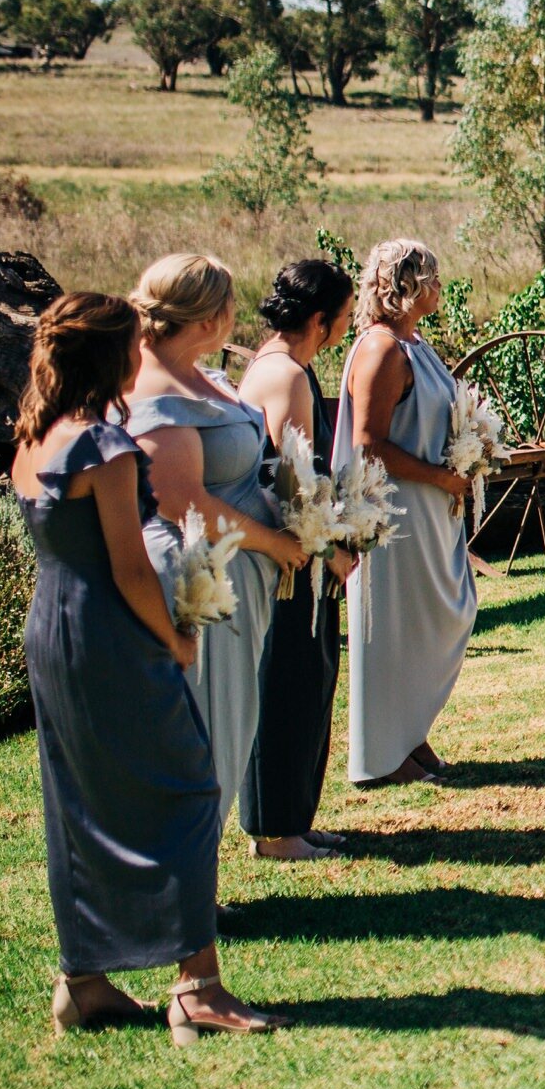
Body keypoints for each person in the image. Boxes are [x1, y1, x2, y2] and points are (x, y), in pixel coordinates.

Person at [13, 292, 280, 1044]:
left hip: (52, 632)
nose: (143, 353)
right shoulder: (105, 446)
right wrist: (175, 637)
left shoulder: (34, 435)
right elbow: (133, 570)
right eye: (134, 342)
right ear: (112, 356)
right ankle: (198, 988)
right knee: (189, 787)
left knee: (80, 799)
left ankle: (84, 981)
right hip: (111, 633)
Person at [120, 254, 308, 837]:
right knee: (205, 725)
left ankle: (195, 878)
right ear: (209, 318)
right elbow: (181, 502)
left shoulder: (198, 370)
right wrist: (274, 543)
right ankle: (181, 886)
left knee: (230, 723)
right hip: (197, 577)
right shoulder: (154, 390)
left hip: (235, 576)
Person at [337, 239, 479, 784]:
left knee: (441, 615)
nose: (441, 288)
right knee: (395, 625)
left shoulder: (414, 343)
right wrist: (443, 476)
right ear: (409, 285)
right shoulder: (380, 350)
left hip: (428, 509)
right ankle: (380, 753)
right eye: (434, 278)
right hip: (394, 511)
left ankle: (409, 733)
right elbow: (369, 442)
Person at [235, 259, 359, 860]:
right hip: (287, 564)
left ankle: (293, 820)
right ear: (319, 320)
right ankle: (277, 832)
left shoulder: (286, 366)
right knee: (286, 684)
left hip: (300, 558)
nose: (349, 323)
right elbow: (288, 482)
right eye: (345, 315)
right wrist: (329, 548)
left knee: (310, 682)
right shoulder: (284, 376)